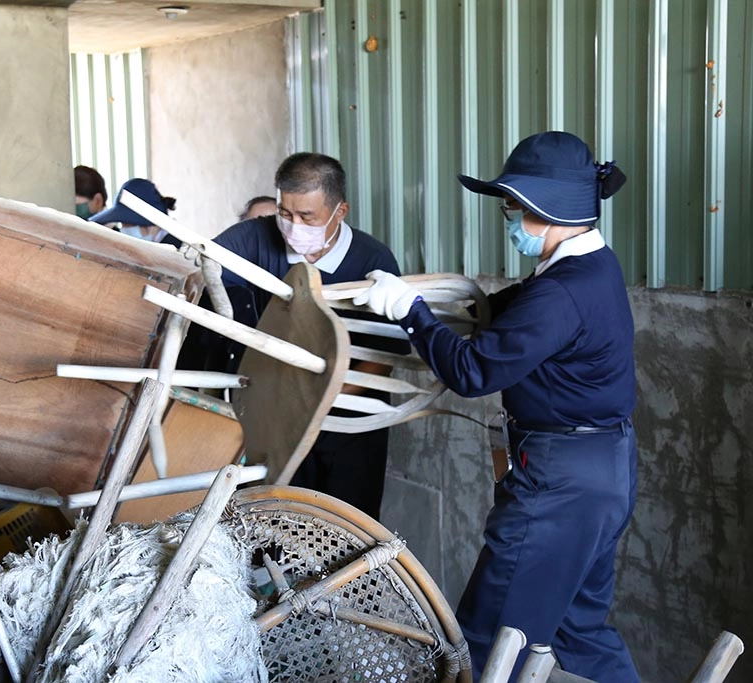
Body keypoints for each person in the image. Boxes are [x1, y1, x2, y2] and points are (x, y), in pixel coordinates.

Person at [353, 131, 636, 682]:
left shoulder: (561, 293)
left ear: (542, 209)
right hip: (605, 467)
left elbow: (473, 372)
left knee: (489, 636)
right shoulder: (592, 266)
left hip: (561, 481)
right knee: (580, 632)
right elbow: (523, 309)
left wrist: (411, 313)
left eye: (512, 207)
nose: (507, 217)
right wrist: (440, 306)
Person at [198, 152, 408, 519]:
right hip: (272, 419)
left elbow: (381, 359)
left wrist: (315, 404)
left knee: (342, 524)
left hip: (347, 419)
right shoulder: (254, 239)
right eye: (285, 214)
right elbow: (204, 265)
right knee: (272, 521)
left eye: (307, 217)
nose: (294, 226)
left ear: (340, 211)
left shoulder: (372, 261)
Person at [89, 178, 182, 248]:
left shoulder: (177, 253)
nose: (123, 229)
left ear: (150, 226)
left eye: (128, 224)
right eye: (122, 224)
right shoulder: (154, 249)